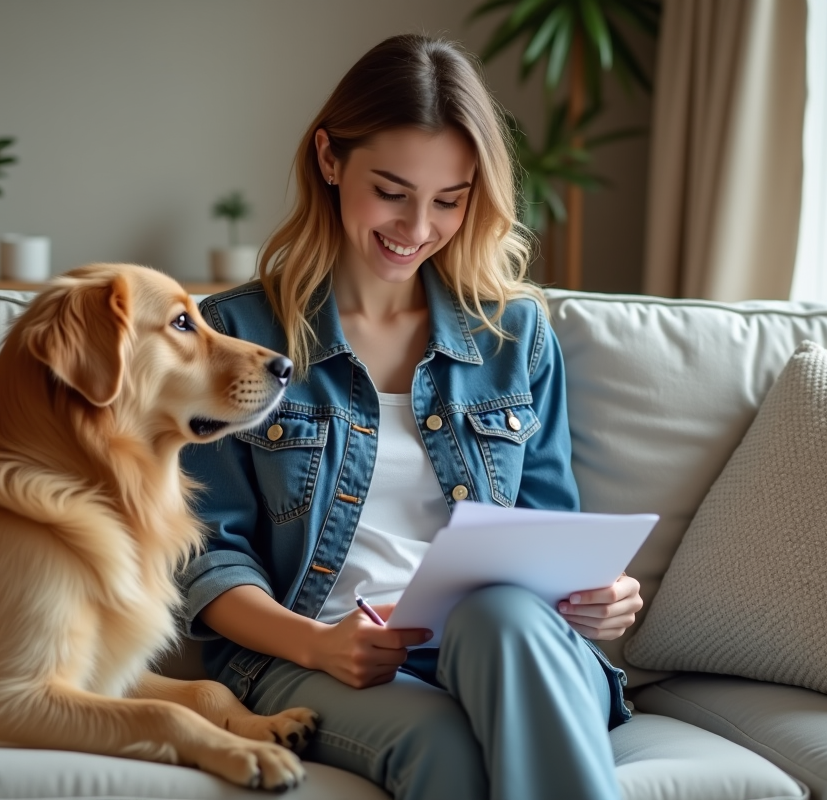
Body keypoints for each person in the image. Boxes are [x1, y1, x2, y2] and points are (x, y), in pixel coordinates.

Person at [180, 33, 644, 800]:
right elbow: (208, 557)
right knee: (448, 752)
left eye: (449, 200)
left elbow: (548, 533)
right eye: (392, 192)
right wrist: (319, 644)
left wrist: (598, 597)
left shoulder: (514, 336)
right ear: (330, 159)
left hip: (512, 650)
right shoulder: (234, 337)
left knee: (501, 615)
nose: (417, 227)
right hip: (315, 654)